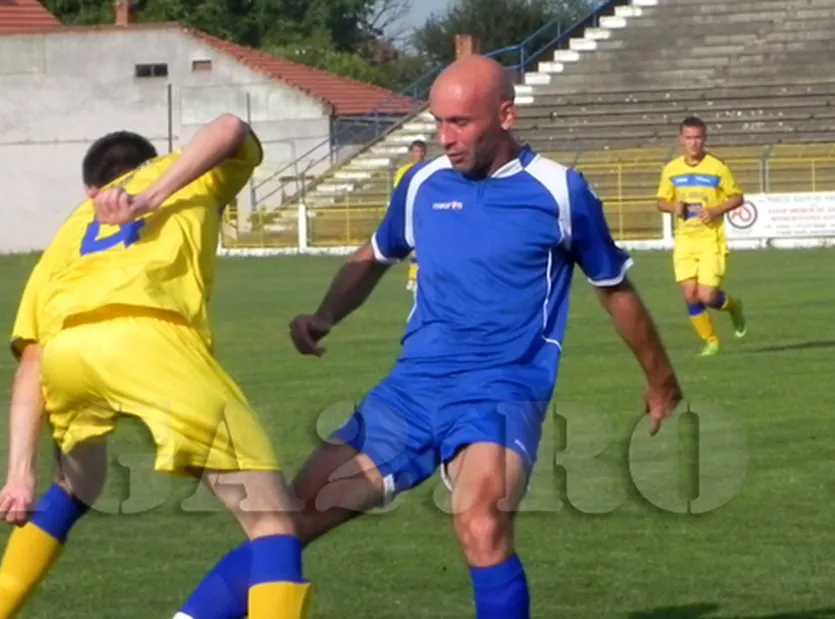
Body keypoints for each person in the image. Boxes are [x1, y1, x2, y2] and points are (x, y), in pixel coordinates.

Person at [176, 56, 682, 619]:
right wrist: (326, 315)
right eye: (438, 122)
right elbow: (375, 254)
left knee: (481, 522)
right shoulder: (420, 184)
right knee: (286, 526)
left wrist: (661, 381)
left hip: (500, 391)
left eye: (461, 123)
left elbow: (614, 289)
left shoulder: (559, 191)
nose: (446, 138)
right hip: (410, 393)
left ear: (506, 114)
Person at [0, 114, 313, 619]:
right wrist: (155, 196)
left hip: (70, 351)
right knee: (273, 524)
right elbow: (230, 126)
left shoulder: (74, 223)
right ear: (150, 164)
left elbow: (33, 358)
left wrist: (18, 475)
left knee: (78, 483)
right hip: (151, 342)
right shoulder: (188, 171)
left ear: (92, 186)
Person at [656, 116, 748, 356]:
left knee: (706, 296)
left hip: (710, 241)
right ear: (681, 139)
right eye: (689, 138)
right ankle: (711, 342)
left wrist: (716, 210)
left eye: (698, 137)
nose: (693, 143)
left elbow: (737, 197)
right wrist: (673, 207)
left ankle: (734, 307)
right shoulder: (671, 169)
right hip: (685, 241)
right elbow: (661, 201)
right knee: (690, 294)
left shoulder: (717, 167)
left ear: (704, 139)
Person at [393, 140, 428, 292]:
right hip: (409, 212)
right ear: (410, 153)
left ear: (424, 153)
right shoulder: (403, 171)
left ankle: (420, 278)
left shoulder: (429, 169)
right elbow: (398, 193)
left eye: (420, 151)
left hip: (425, 212)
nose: (417, 155)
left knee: (423, 247)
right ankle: (413, 278)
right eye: (415, 151)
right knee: (413, 247)